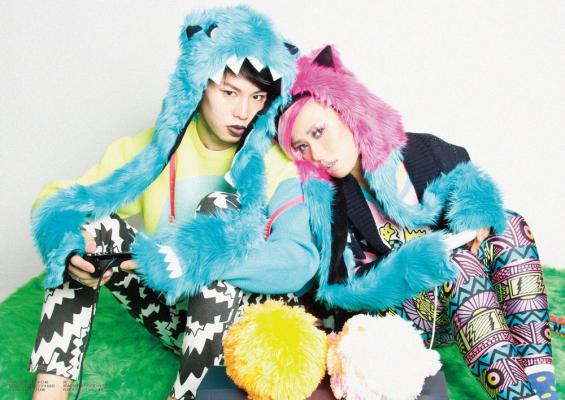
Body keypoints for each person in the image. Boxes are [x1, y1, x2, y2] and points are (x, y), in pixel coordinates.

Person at [28, 6, 320, 399]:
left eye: (257, 97)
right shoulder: (155, 149)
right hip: (172, 317)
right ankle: (50, 389)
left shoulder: (276, 161)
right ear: (199, 84)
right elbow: (59, 199)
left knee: (219, 209)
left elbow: (300, 260)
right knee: (88, 231)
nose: (243, 112)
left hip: (245, 330)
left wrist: (194, 256)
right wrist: (70, 251)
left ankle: (190, 394)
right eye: (229, 92)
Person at [276, 45, 558, 400]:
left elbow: (469, 182)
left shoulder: (423, 150)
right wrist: (416, 263)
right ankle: (517, 394)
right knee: (455, 262)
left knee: (510, 223)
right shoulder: (328, 201)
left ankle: (541, 384)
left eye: (318, 132)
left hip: (468, 304)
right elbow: (343, 290)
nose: (316, 154)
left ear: (347, 111)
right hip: (398, 321)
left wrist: (476, 214)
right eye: (301, 146)